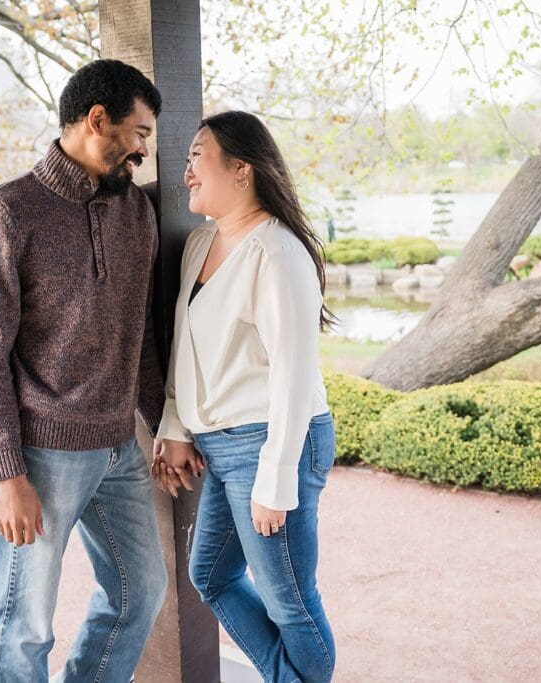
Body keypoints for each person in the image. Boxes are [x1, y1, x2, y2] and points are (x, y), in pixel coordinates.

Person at [0, 59, 168, 683]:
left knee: (141, 595)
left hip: (119, 450)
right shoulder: (8, 211)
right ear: (96, 120)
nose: (141, 150)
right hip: (43, 453)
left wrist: (161, 426)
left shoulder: (137, 212)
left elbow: (143, 338)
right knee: (24, 625)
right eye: (138, 133)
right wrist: (8, 474)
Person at [153, 110, 338, 683]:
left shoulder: (277, 253)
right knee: (210, 574)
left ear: (241, 170)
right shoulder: (201, 244)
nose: (185, 171)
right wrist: (176, 425)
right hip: (223, 446)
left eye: (196, 155)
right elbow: (185, 344)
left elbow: (293, 371)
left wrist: (276, 479)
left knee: (291, 602)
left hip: (273, 441)